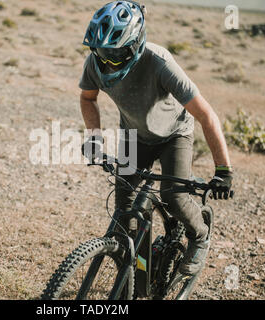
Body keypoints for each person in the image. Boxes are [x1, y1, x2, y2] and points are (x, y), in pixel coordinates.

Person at [79, 1, 233, 276]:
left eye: (115, 54)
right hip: (134, 135)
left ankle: (199, 235)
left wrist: (223, 170)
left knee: (173, 197)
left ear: (135, 43)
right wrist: (94, 139)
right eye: (102, 53)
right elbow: (87, 98)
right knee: (123, 210)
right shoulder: (95, 63)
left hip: (174, 134)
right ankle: (138, 265)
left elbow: (206, 115)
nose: (107, 61)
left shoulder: (160, 62)